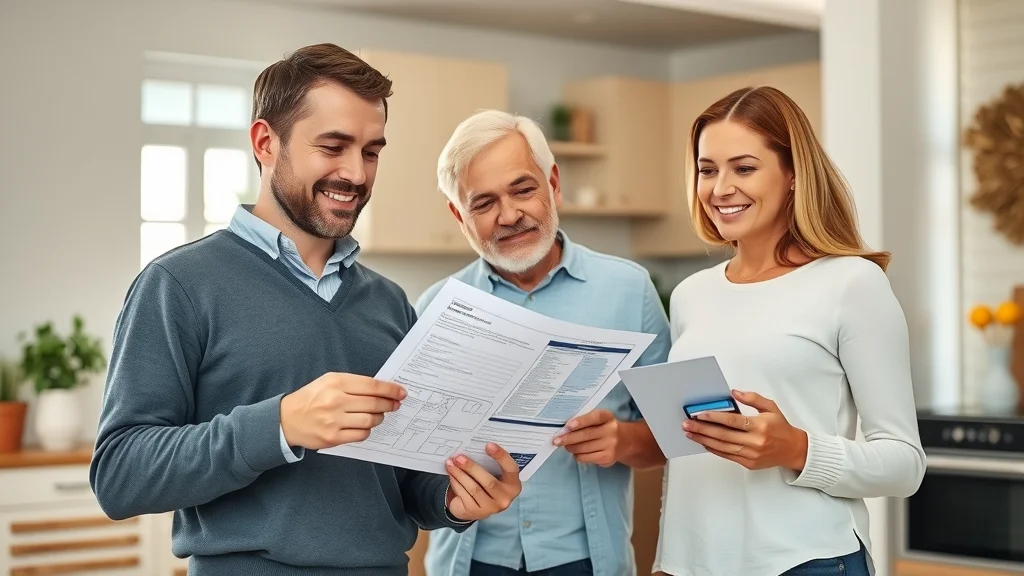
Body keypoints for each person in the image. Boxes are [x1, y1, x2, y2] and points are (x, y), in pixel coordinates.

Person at [89, 43, 523, 576]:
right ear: (266, 142)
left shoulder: (388, 303)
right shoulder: (177, 285)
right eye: (333, 147)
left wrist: (456, 500)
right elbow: (119, 476)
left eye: (370, 152)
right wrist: (279, 425)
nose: (357, 175)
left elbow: (408, 485)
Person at [655, 86, 927, 576]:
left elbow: (905, 464)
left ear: (793, 175)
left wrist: (796, 449)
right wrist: (667, 559)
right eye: (708, 169)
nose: (720, 189)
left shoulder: (851, 284)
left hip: (805, 562)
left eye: (744, 168)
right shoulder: (690, 294)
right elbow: (692, 456)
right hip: (691, 564)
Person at [417, 109, 672, 576]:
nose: (510, 215)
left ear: (553, 183)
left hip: (586, 563)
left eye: (523, 189)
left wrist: (622, 439)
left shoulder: (629, 290)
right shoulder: (435, 308)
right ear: (459, 215)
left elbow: (677, 433)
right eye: (483, 203)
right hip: (469, 561)